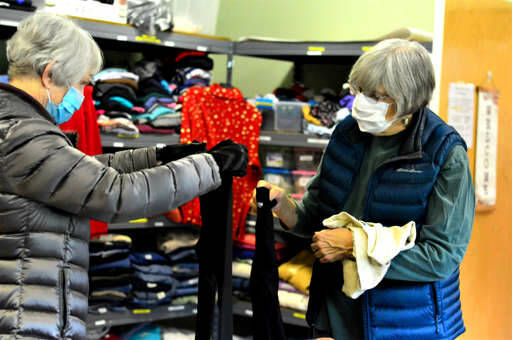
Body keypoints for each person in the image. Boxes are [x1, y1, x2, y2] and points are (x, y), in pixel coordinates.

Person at [0, 12, 248, 339]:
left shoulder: (17, 125)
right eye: (81, 83)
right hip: (27, 321)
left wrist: (160, 156)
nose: (82, 94)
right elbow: (116, 194)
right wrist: (211, 166)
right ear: (49, 75)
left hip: (28, 308)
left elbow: (82, 171)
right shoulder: (26, 136)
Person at [256, 39, 475, 340]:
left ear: (407, 99)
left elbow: (442, 257)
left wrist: (354, 247)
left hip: (405, 324)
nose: (361, 102)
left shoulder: (444, 154)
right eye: (358, 90)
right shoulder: (347, 134)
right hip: (334, 315)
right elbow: (317, 218)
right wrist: (285, 208)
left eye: (375, 96)